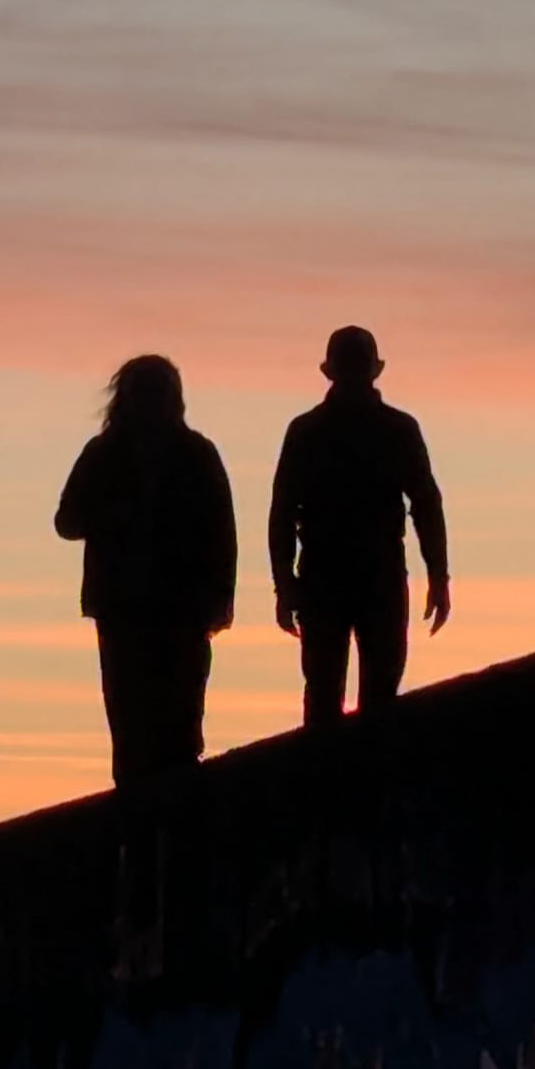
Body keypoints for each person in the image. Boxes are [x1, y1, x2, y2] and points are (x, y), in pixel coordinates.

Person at [54, 355, 237, 787]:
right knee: (130, 721)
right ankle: (138, 821)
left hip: (180, 608)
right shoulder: (104, 455)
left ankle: (172, 816)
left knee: (180, 721)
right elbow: (67, 521)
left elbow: (221, 532)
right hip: (124, 609)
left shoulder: (195, 454)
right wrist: (116, 515)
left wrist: (218, 599)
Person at [268, 326, 450, 728]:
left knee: (348, 696)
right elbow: (425, 504)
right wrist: (438, 575)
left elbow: (425, 503)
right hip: (349, 577)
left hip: (349, 576)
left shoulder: (311, 430)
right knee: (343, 696)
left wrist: (439, 574)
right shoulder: (392, 429)